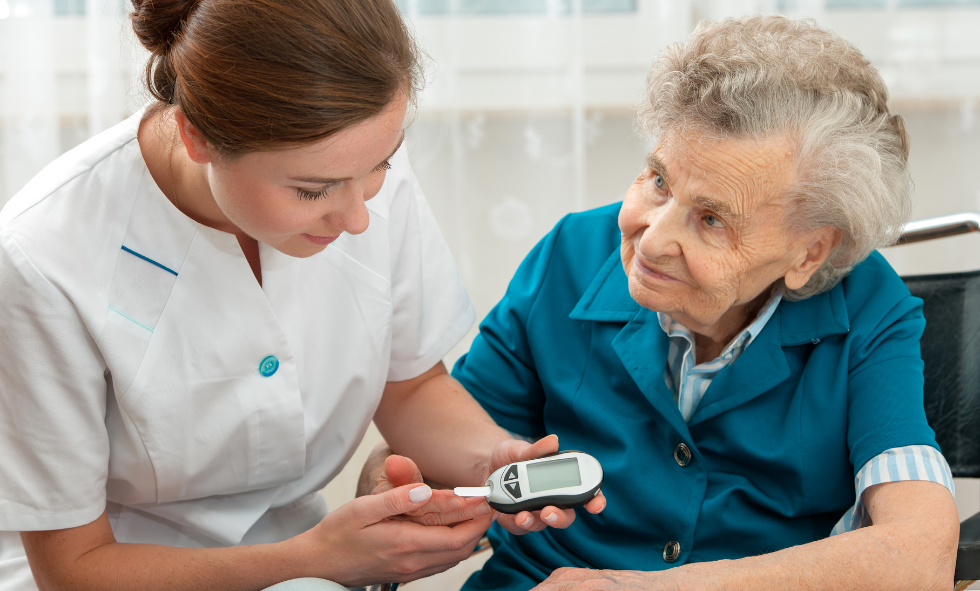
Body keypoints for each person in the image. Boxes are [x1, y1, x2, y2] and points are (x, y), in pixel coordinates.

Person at [0, 0, 603, 589]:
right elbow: (73, 567)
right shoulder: (43, 256)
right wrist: (311, 559)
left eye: (381, 166)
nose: (358, 217)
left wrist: (490, 461)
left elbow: (410, 385)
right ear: (197, 135)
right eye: (313, 191)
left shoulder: (351, 156)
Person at [441, 15, 957, 591]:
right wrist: (397, 482)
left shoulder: (869, 309)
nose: (652, 240)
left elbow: (919, 555)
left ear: (809, 252)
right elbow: (452, 445)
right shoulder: (569, 255)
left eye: (711, 219)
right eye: (658, 181)